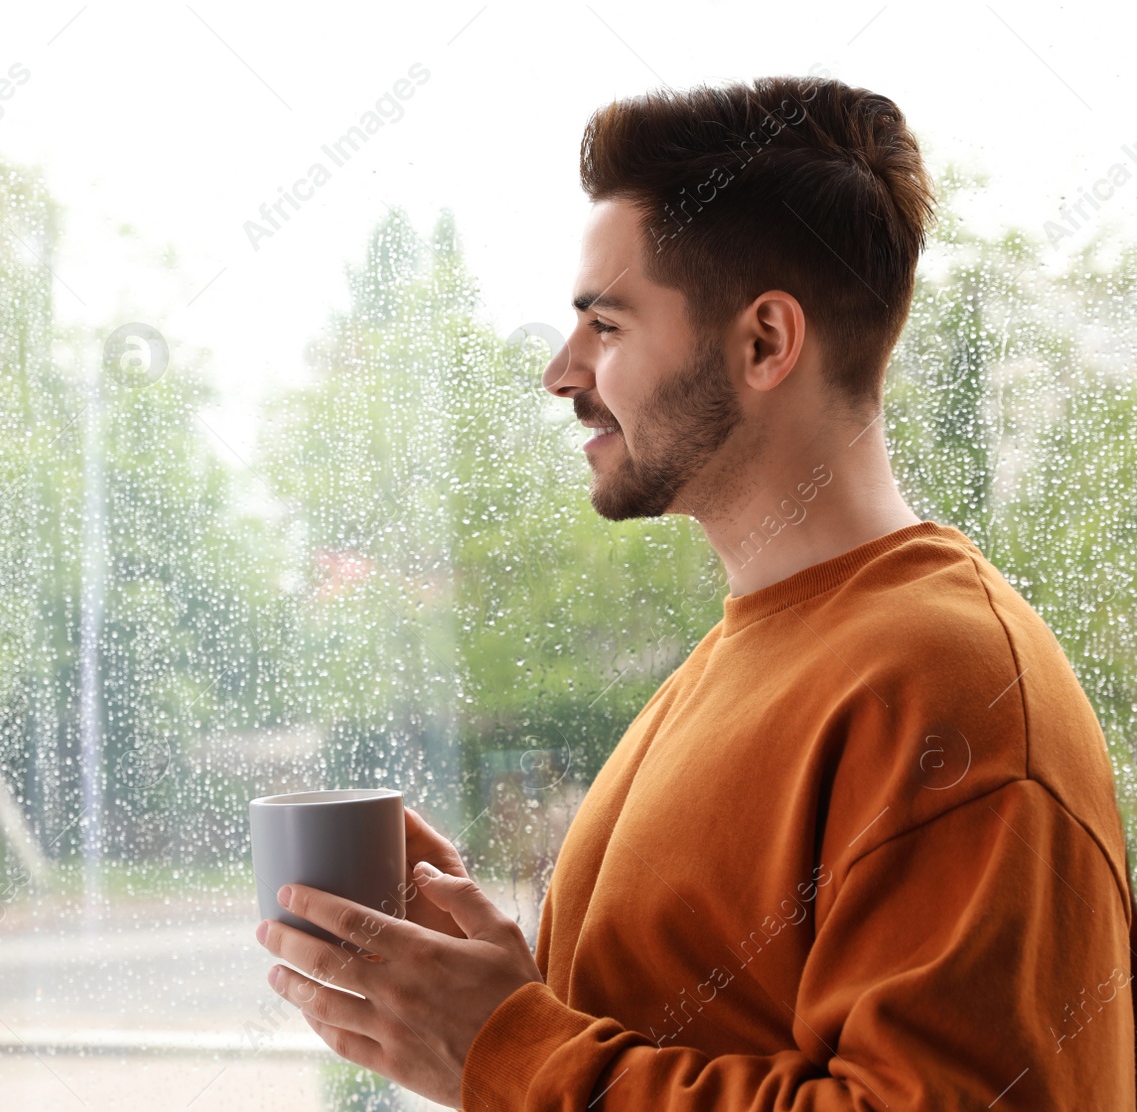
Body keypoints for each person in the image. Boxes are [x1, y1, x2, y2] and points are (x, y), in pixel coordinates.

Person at [255, 74, 1136, 1109]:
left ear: (765, 341)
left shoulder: (947, 688)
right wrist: (494, 997)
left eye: (607, 326)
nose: (559, 369)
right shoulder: (745, 656)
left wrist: (511, 1048)